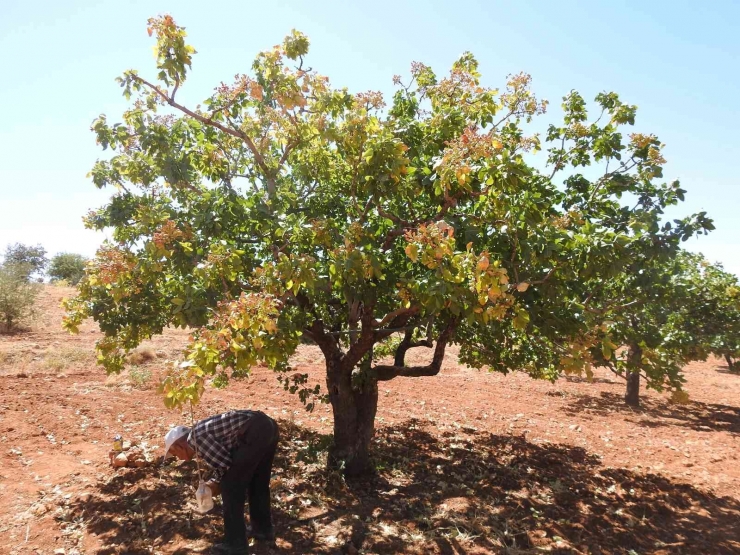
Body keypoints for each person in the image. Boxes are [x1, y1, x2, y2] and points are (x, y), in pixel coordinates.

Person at [164, 410, 280, 555]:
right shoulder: (199, 433)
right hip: (268, 427)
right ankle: (263, 530)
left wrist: (214, 484)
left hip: (255, 430)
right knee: (258, 483)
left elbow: (225, 465)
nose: (178, 458)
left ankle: (235, 544)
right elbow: (228, 459)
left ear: (179, 446)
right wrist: (215, 481)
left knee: (230, 487)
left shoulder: (194, 438)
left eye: (175, 454)